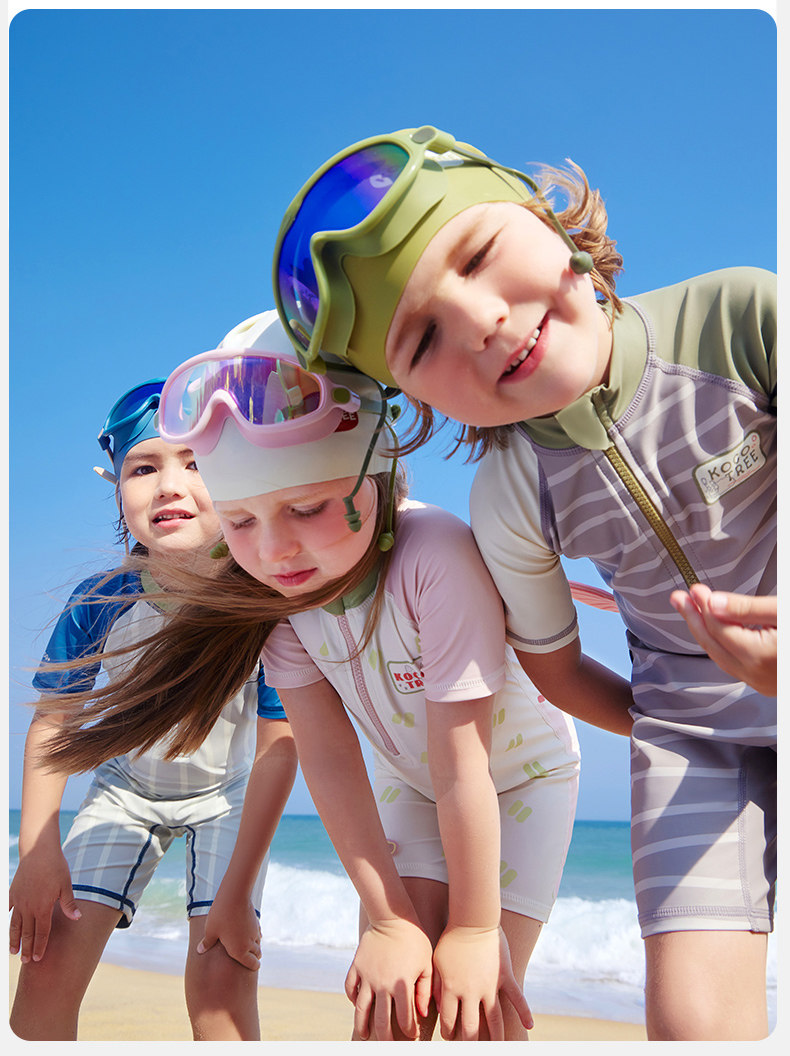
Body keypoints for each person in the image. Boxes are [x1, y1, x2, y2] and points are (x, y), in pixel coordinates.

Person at [270, 125, 777, 1041]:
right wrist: (670, 724)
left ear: (542, 216)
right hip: (697, 749)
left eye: (477, 254)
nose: (481, 321)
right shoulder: (509, 494)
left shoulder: (740, 317)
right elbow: (555, 669)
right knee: (692, 1024)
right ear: (415, 402)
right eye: (424, 339)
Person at [148, 308, 601, 1041]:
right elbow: (328, 756)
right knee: (391, 1006)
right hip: (409, 782)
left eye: (305, 507)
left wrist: (475, 930)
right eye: (241, 522)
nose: (276, 551)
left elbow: (464, 763)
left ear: (378, 475)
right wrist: (389, 919)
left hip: (519, 777)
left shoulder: (435, 557)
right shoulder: (281, 600)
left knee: (476, 1014)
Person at [9, 380, 297, 1042]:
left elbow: (279, 747)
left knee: (221, 986)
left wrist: (237, 892)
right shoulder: (101, 602)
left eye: (197, 464)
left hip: (229, 798)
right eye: (144, 468)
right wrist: (37, 851)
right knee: (45, 968)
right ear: (117, 490)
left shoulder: (267, 605)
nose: (170, 486)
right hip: (124, 792)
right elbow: (54, 723)